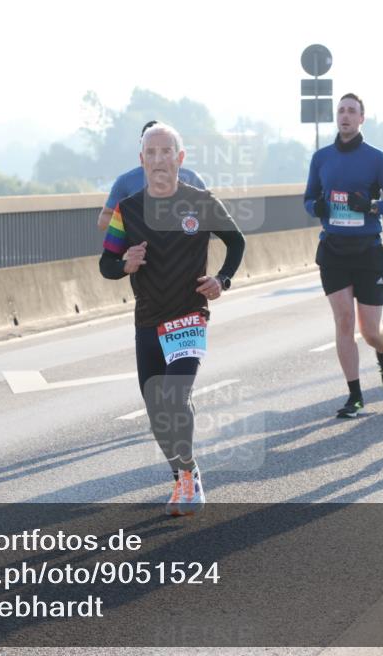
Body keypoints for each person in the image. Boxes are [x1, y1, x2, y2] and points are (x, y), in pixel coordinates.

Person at [99, 123, 245, 516]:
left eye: (167, 152)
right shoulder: (126, 210)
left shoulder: (201, 201)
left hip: (188, 316)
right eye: (152, 152)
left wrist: (222, 279)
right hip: (148, 318)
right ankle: (185, 473)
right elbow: (106, 262)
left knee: (175, 396)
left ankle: (188, 481)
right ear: (141, 159)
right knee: (158, 410)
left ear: (180, 159)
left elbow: (236, 241)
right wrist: (124, 264)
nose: (159, 159)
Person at [304, 93, 383, 419]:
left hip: (367, 252)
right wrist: (316, 207)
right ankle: (355, 395)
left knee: (370, 331)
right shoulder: (321, 158)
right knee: (344, 321)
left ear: (362, 118)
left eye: (352, 111)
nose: (345, 116)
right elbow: (308, 199)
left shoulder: (375, 158)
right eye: (341, 111)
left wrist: (372, 206)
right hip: (333, 249)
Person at [96, 120, 207, 231]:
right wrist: (134, 224)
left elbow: (209, 220)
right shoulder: (125, 181)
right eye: (151, 149)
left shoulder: (194, 179)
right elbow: (103, 222)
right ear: (142, 146)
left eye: (165, 150)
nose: (158, 157)